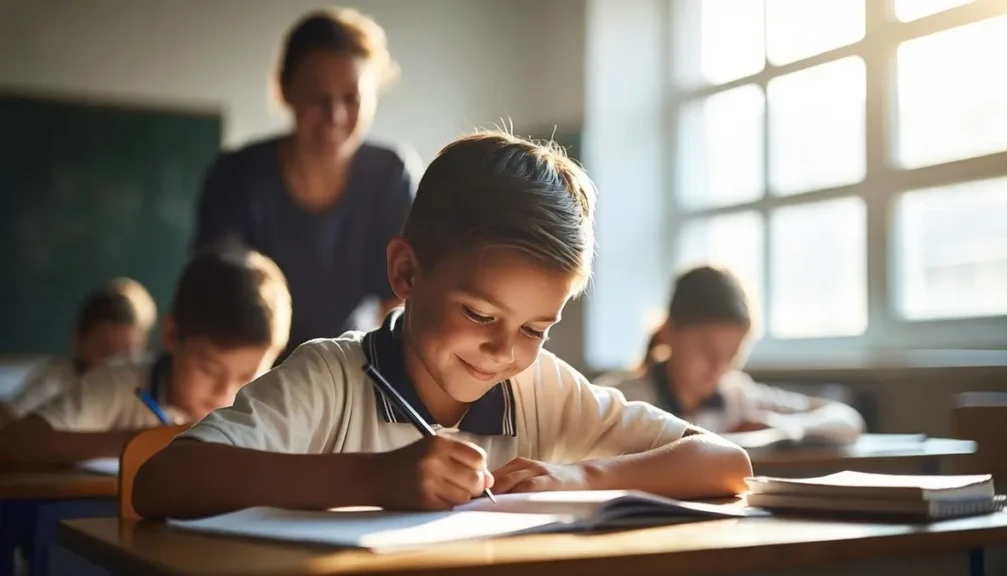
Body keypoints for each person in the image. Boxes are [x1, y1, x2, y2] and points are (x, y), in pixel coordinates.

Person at [132, 132, 752, 520]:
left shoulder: (541, 390)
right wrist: (375, 477)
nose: (504, 351)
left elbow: (725, 462)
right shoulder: (330, 377)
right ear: (405, 272)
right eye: (480, 314)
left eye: (537, 328)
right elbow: (163, 481)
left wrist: (583, 475)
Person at [193, 8, 416, 356]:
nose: (335, 116)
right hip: (250, 370)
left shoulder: (389, 176)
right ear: (286, 89)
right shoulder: (237, 176)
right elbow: (215, 296)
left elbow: (404, 301)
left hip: (344, 365)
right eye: (318, 97)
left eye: (351, 97)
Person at [0, 244, 291, 466]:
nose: (225, 392)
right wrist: (147, 443)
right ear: (170, 336)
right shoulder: (119, 382)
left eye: (248, 375)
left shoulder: (269, 412)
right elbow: (14, 443)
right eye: (209, 369)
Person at [602, 266, 864, 444]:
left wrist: (780, 428)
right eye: (707, 350)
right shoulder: (623, 400)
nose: (719, 367)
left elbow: (846, 418)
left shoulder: (738, 395)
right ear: (670, 331)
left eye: (733, 355)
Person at [0, 278, 157, 428]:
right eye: (105, 351)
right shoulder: (55, 378)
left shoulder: (146, 389)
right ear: (79, 340)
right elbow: (9, 421)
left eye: (128, 353)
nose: (115, 363)